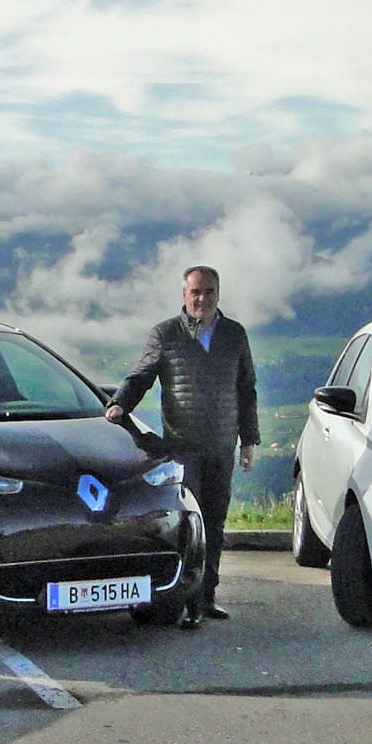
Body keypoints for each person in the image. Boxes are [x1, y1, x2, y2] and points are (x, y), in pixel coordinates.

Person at [105, 264, 258, 626]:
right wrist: (119, 404)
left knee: (216, 524)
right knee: (190, 525)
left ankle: (207, 598)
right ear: (184, 295)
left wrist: (249, 441)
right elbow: (142, 375)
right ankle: (185, 602)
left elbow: (246, 389)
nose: (201, 298)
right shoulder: (166, 334)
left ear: (218, 294)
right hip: (183, 446)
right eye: (195, 292)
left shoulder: (235, 335)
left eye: (208, 291)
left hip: (222, 445)